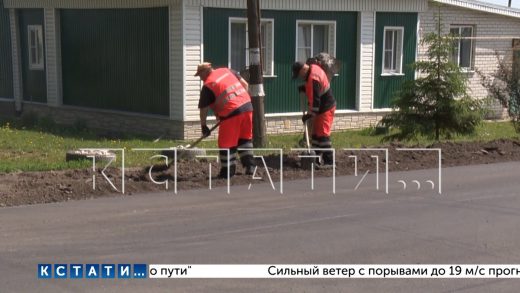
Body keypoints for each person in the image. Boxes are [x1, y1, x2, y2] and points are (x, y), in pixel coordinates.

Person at [195, 62, 255, 178]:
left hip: (232, 113)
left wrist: (203, 126)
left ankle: (228, 171)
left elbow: (203, 108)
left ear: (205, 72)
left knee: (226, 143)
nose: (200, 78)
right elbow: (245, 85)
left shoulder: (208, 85)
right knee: (245, 139)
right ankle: (250, 167)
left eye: (200, 75)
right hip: (247, 107)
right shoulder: (227, 71)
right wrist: (242, 103)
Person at [292, 61, 336, 166]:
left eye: (299, 75)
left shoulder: (313, 78)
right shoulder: (313, 68)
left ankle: (329, 162)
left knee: (323, 135)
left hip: (325, 108)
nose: (300, 77)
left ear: (303, 69)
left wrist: (309, 115)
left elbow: (316, 101)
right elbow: (314, 89)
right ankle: (315, 159)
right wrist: (305, 87)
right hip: (321, 108)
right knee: (316, 135)